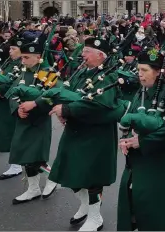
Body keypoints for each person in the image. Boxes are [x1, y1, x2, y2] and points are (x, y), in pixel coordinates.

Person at [43, 37, 124, 231]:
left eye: (87, 51)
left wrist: (68, 110)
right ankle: (85, 205)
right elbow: (66, 92)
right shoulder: (80, 72)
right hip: (76, 131)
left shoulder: (109, 76)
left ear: (100, 56)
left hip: (96, 134)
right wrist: (61, 108)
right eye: (84, 51)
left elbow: (97, 104)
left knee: (91, 177)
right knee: (70, 171)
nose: (83, 54)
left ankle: (95, 217)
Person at [117, 48, 165, 231]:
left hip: (160, 165)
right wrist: (125, 139)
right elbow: (130, 118)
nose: (140, 74)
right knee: (133, 205)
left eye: (144, 70)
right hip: (135, 163)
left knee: (158, 212)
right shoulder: (142, 91)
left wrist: (142, 142)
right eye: (138, 70)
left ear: (158, 71)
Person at [7, 38, 57, 204]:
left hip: (38, 121)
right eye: (22, 57)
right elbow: (12, 93)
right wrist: (18, 108)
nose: (23, 60)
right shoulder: (22, 71)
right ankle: (33, 189)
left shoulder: (47, 72)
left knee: (36, 156)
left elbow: (52, 98)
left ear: (38, 57)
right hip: (23, 120)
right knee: (25, 156)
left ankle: (53, 177)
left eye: (27, 58)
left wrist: (34, 105)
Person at [0, 37, 23, 179]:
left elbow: (16, 83)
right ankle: (16, 164)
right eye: (10, 48)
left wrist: (0, 89)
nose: (10, 51)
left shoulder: (22, 64)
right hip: (4, 102)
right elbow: (2, 76)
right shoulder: (10, 62)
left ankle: (17, 165)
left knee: (13, 133)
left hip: (13, 102)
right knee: (5, 132)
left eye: (14, 49)